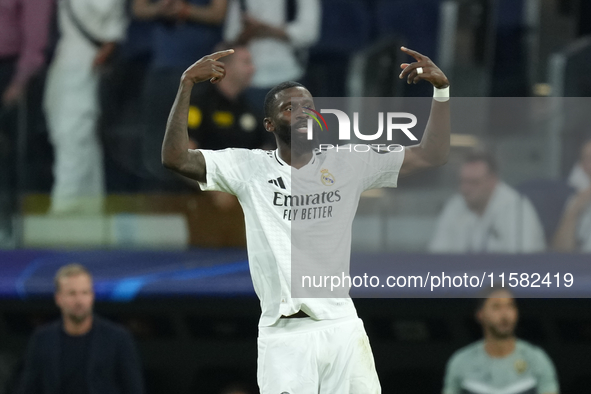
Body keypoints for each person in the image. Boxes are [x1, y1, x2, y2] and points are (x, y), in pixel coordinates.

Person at [162, 45, 451, 393]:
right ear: (269, 123)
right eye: (289, 108)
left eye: (308, 107)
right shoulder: (249, 167)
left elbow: (431, 154)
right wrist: (186, 85)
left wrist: (442, 91)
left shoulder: (349, 163)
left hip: (342, 327)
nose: (301, 112)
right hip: (284, 338)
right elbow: (175, 157)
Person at [44, 0, 127, 214]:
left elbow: (106, 12)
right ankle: (87, 210)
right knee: (73, 138)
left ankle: (64, 209)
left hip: (82, 60)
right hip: (69, 58)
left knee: (75, 135)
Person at [133, 0, 228, 185]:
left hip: (201, 69)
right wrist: (161, 9)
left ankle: (197, 195)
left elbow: (218, 13)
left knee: (197, 138)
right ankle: (160, 194)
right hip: (163, 67)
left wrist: (186, 10)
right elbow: (139, 9)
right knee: (157, 138)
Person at [17, 264, 144, 394]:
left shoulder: (117, 338)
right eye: (72, 293)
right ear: (58, 299)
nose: (79, 300)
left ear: (92, 296)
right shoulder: (42, 339)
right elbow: (28, 388)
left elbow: (134, 389)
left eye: (85, 292)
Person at [0, 0, 54, 243]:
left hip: (13, 73)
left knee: (14, 157)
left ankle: (14, 226)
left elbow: (35, 37)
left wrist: (19, 81)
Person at [443, 287, 559, 394]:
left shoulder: (537, 359)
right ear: (480, 315)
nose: (505, 314)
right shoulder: (460, 362)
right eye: (496, 307)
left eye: (510, 306)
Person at [429, 151, 546, 253]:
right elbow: (437, 255)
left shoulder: (517, 208)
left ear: (492, 181)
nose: (465, 189)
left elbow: (523, 264)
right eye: (462, 182)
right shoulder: (455, 205)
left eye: (473, 182)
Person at [223, 0, 321, 110]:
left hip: (291, 74)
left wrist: (268, 30)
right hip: (253, 78)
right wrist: (248, 32)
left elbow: (309, 34)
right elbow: (230, 37)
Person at [187, 43, 272, 150]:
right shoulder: (199, 103)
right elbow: (187, 151)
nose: (252, 68)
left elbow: (265, 150)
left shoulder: (251, 108)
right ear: (224, 67)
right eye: (246, 62)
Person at [553, 138, 591, 252]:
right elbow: (561, 250)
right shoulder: (578, 198)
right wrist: (576, 208)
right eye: (586, 159)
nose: (588, 165)